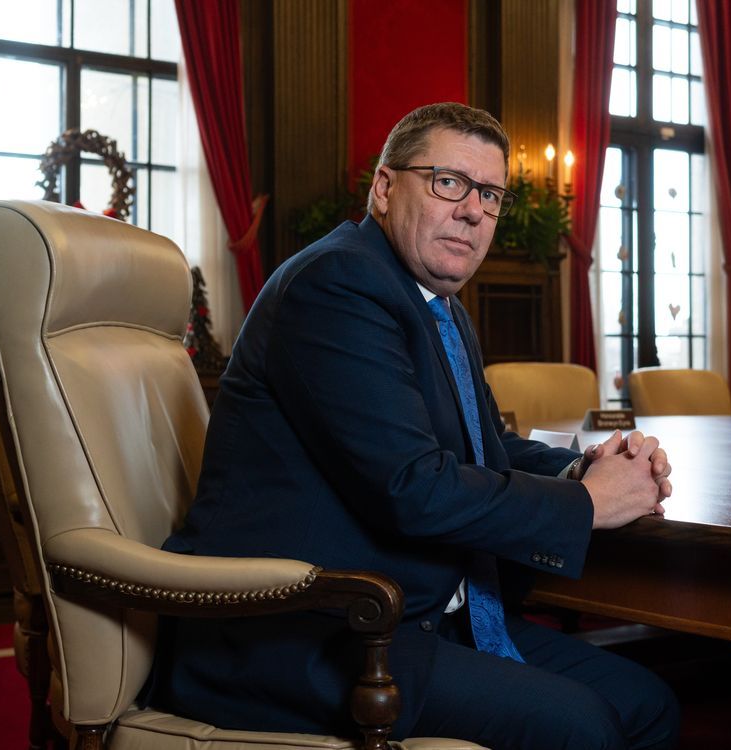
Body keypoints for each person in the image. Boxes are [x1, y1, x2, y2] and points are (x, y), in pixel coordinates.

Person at [145, 102, 679, 749]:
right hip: (312, 633)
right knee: (584, 728)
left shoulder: (439, 306)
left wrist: (590, 467)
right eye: (448, 182)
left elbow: (488, 449)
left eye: (490, 193)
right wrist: (588, 503)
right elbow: (413, 487)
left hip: (414, 619)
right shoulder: (338, 284)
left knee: (648, 704)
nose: (473, 210)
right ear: (384, 187)